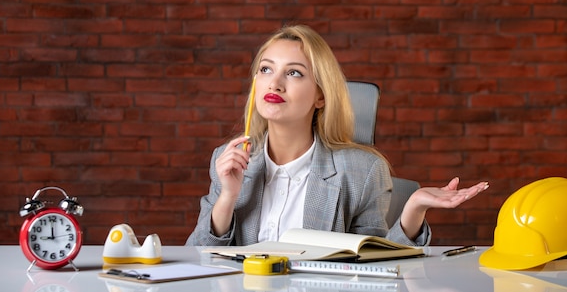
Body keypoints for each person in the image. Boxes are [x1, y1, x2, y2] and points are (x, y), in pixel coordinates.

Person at [186, 25, 489, 247]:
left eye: (293, 73)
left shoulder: (362, 171)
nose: (274, 83)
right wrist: (227, 197)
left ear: (320, 95)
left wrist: (414, 210)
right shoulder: (229, 161)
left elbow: (378, 266)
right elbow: (197, 262)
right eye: (266, 69)